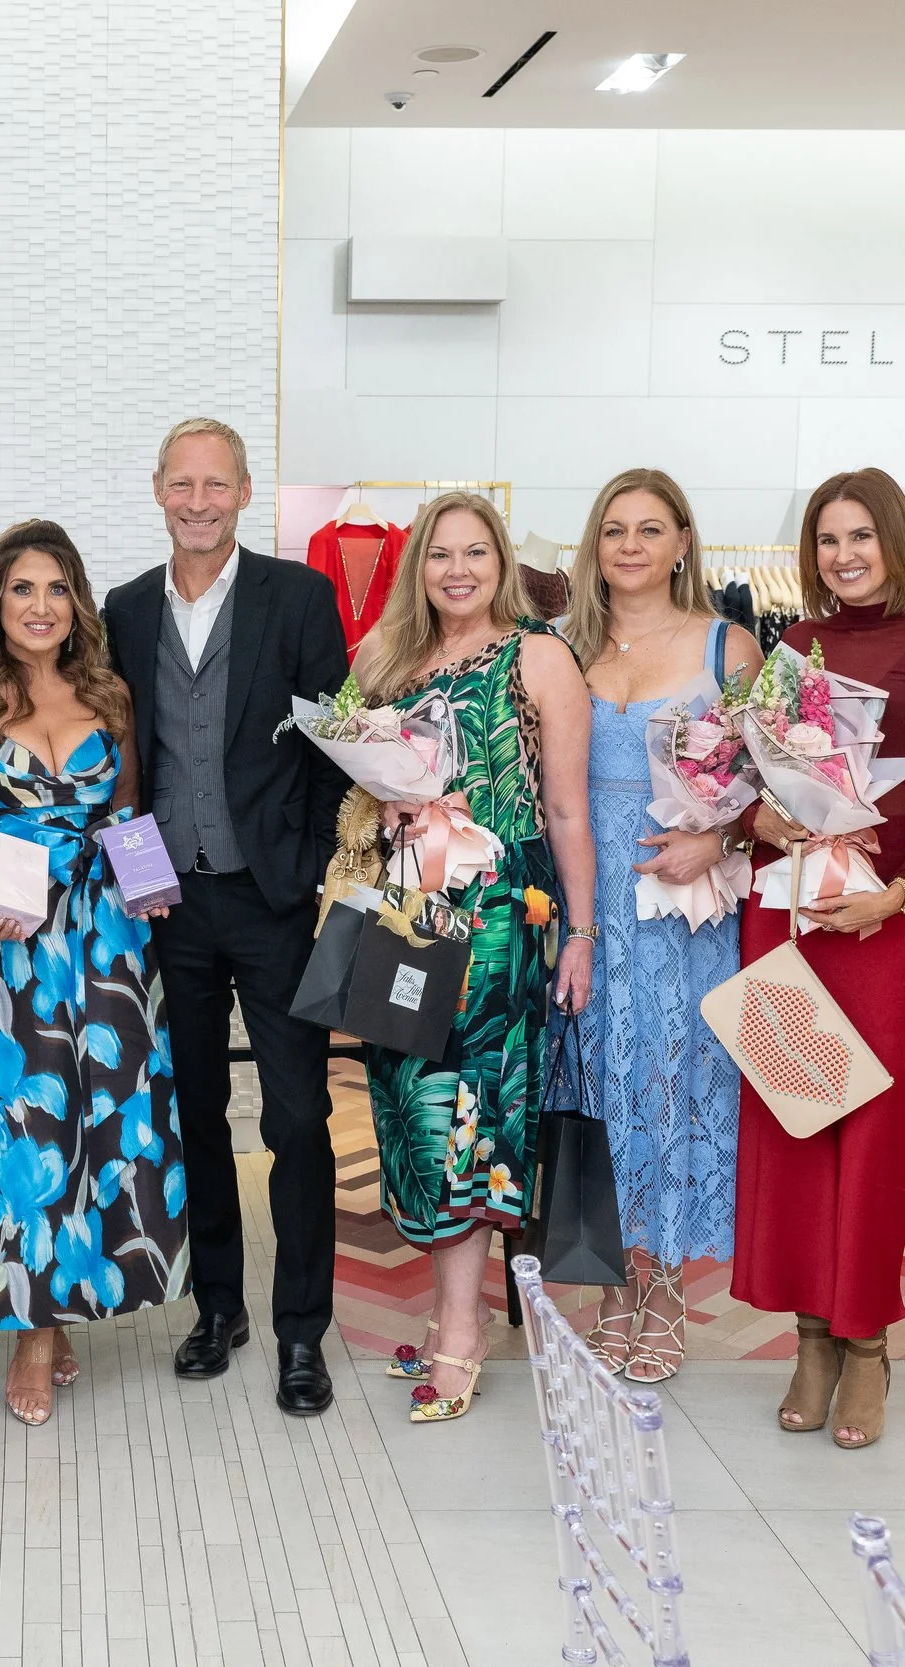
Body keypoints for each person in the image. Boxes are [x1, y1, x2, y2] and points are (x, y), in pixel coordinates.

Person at [0, 518, 186, 1426]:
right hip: (10, 941)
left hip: (104, 939)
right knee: (26, 1120)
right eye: (22, 588)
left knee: (103, 1116)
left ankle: (60, 1304)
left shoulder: (108, 694)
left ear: (77, 603)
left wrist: (149, 884)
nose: (40, 606)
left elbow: (126, 810)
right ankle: (33, 1329)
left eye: (56, 588)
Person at [736, 467, 905, 1450]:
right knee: (795, 1120)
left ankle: (867, 1341)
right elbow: (754, 773)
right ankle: (811, 1338)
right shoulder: (793, 644)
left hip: (890, 920)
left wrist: (903, 888)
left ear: (895, 539)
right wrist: (755, 817)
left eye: (860, 536)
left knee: (875, 1132)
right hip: (791, 910)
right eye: (827, 539)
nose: (844, 555)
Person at [101, 417, 353, 1416]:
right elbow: (123, 748)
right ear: (157, 489)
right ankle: (219, 1307)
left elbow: (336, 743)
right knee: (195, 1109)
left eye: (216, 484)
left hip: (272, 896)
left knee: (297, 1117)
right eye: (182, 484)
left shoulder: (299, 596)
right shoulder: (125, 608)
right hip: (170, 899)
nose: (198, 502)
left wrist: (311, 862)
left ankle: (301, 1330)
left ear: (245, 491)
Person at [340, 492, 596, 1424]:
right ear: (419, 565)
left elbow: (565, 808)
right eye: (441, 553)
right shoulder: (383, 659)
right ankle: (461, 1310)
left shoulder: (539, 656)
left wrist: (581, 932)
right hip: (406, 912)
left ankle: (460, 1326)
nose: (458, 570)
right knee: (406, 1107)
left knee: (468, 1115)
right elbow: (359, 797)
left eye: (476, 552)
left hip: (496, 918)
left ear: (502, 563)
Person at [562, 471, 761, 1383]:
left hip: (681, 907)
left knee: (674, 1082)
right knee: (596, 1086)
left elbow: (778, 786)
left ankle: (666, 1284)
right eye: (614, 530)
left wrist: (716, 837)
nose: (631, 546)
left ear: (682, 541)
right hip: (585, 905)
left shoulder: (729, 646)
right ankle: (612, 1281)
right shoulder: (564, 647)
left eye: (650, 529)